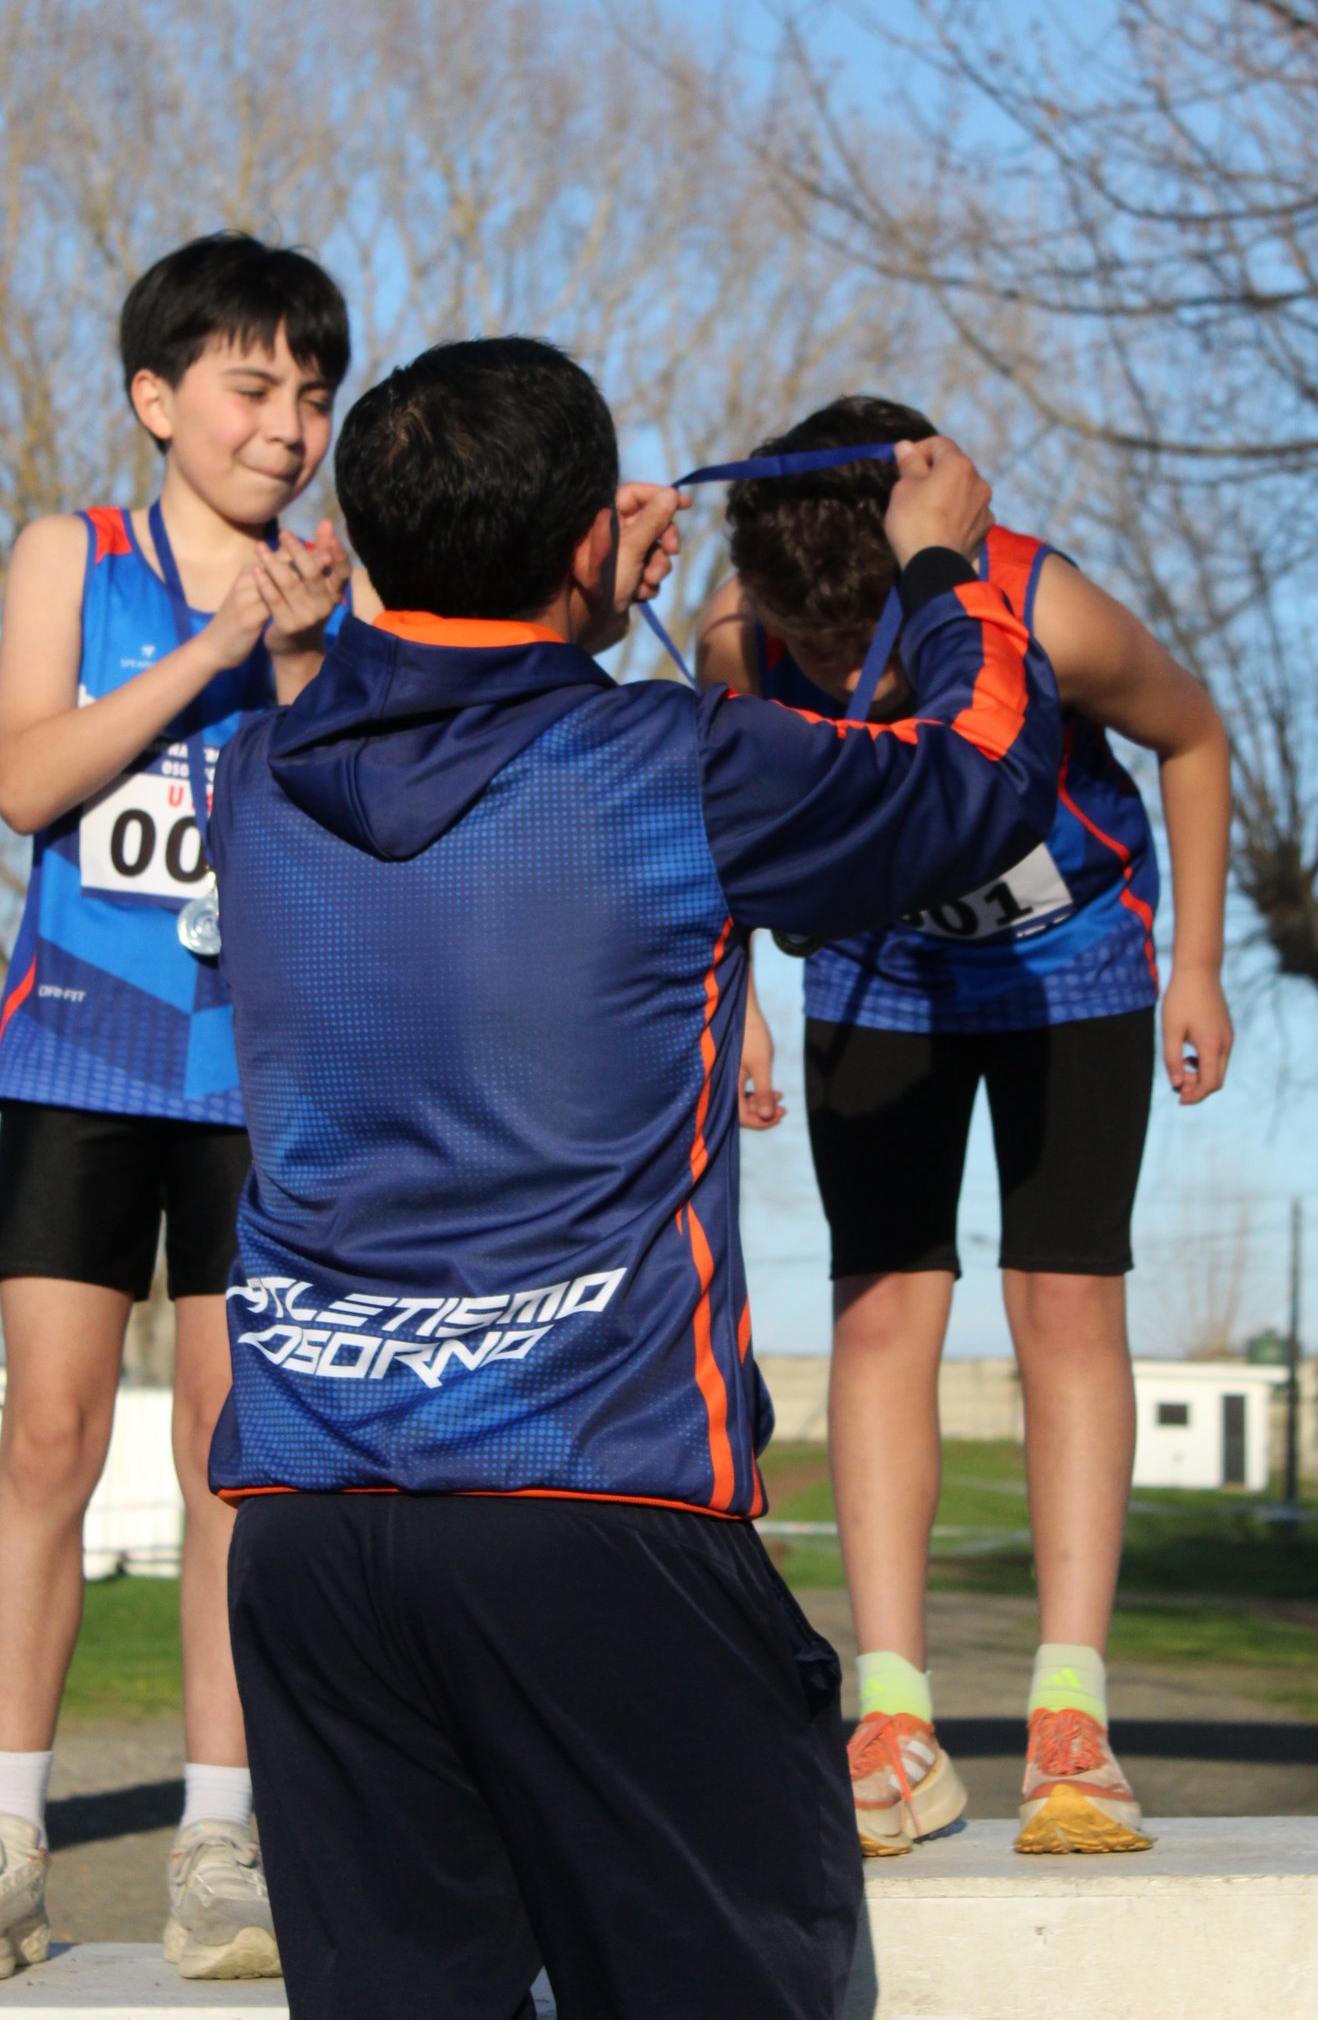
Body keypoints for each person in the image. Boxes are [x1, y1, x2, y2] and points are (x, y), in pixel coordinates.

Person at [206, 335, 1062, 2020]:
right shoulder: (683, 767)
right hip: (596, 1511)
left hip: (309, 1534)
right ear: (594, 545)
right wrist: (952, 564)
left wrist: (568, 598)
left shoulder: (262, 780)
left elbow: (437, 727)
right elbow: (981, 782)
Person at [697, 395, 1234, 1857]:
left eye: (851, 650)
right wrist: (733, 995)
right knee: (879, 1315)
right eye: (801, 649)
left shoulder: (1044, 607)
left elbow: (1194, 739)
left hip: (1075, 970)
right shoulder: (741, 637)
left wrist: (1196, 965)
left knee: (1065, 1305)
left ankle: (1073, 1717)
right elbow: (724, 815)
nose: (830, 675)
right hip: (879, 974)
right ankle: (894, 1717)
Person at [0, 233, 353, 1981]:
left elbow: (338, 832)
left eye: (311, 395)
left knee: (234, 1460)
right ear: (158, 398)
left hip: (248, 1079)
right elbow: (26, 778)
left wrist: (288, 667)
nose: (285, 426)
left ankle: (220, 1842)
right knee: (51, 1441)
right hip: (74, 1058)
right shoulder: (73, 553)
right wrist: (206, 650)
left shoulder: (328, 605)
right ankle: (8, 1828)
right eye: (250, 386)